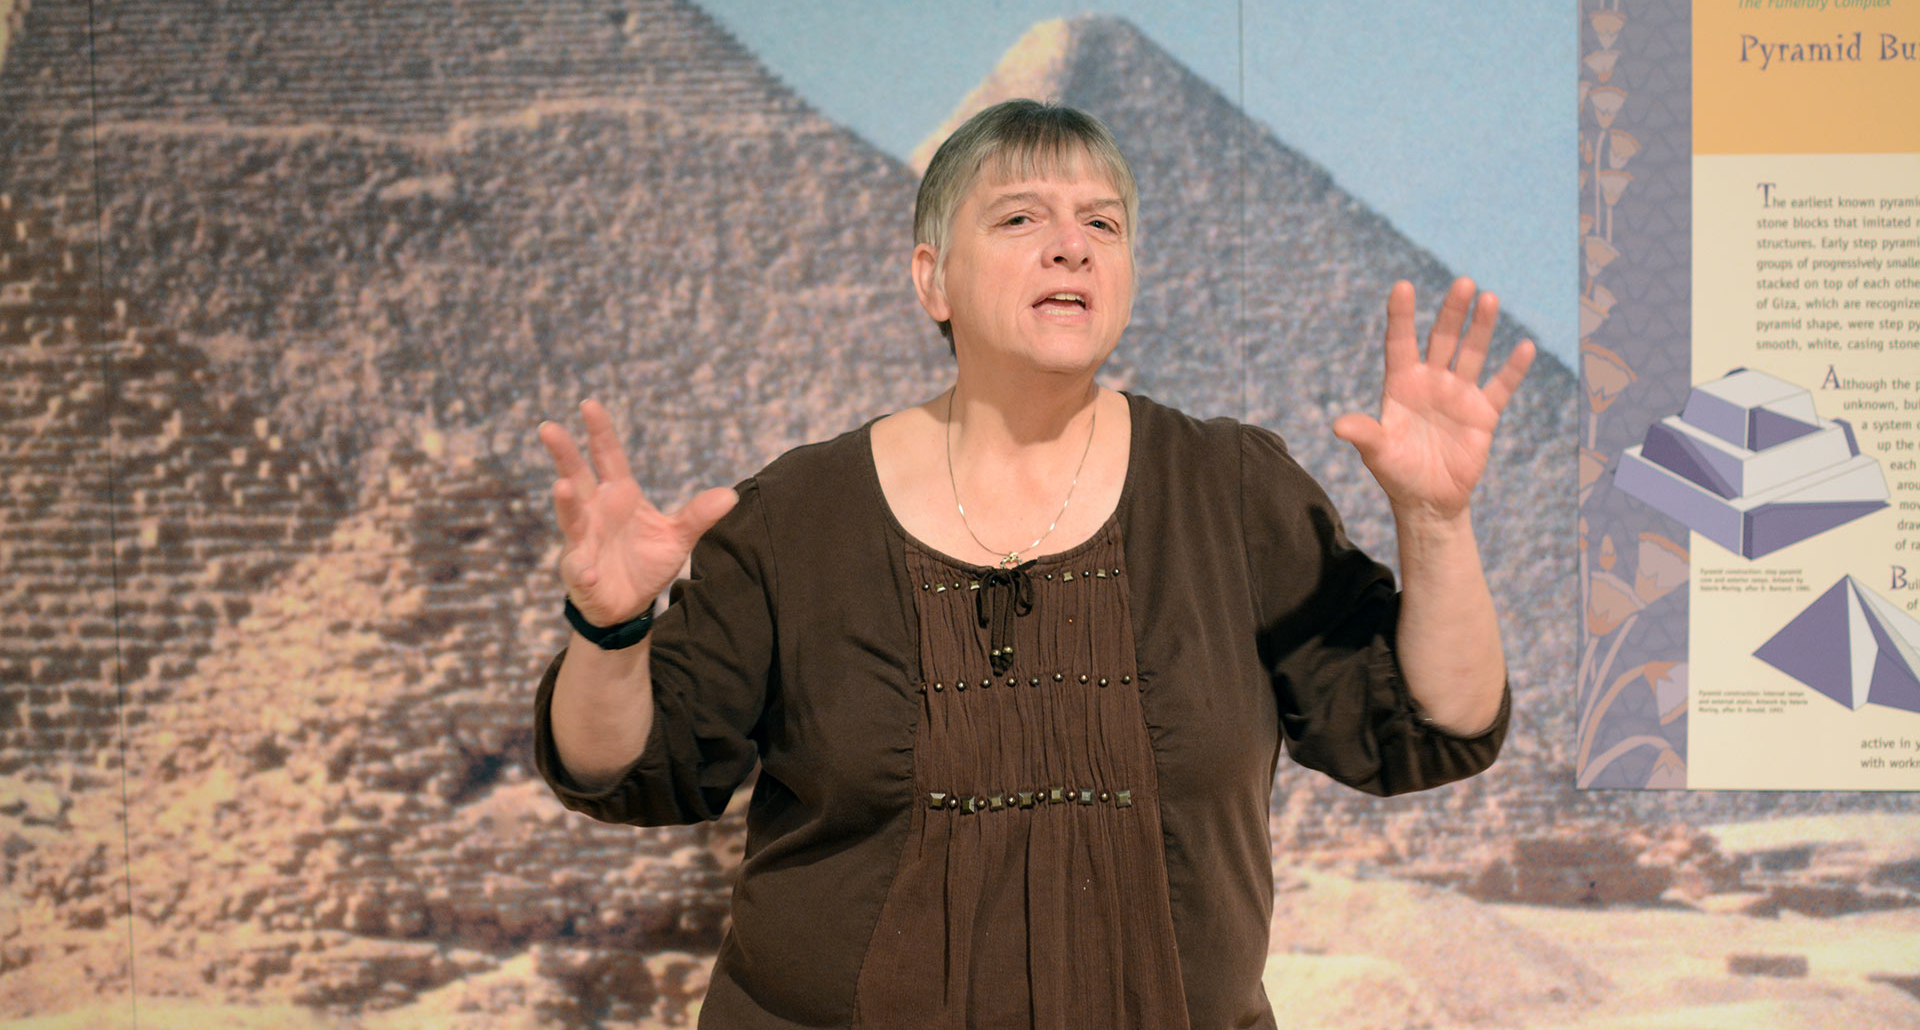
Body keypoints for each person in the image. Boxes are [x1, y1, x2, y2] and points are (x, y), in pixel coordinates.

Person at [531, 99, 1534, 1029]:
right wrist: (608, 629)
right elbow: (626, 766)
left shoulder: (1230, 490)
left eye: (1104, 224)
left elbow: (1424, 723)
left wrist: (1436, 520)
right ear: (932, 278)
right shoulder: (795, 517)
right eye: (1019, 219)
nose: (1072, 245)